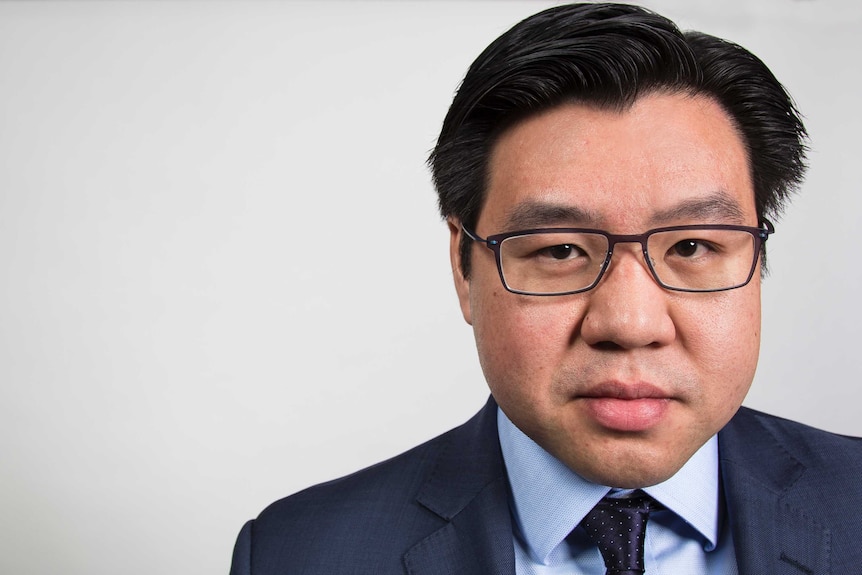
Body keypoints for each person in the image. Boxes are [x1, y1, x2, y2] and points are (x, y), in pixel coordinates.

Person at [229, 3, 862, 573]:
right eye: (560, 250)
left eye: (692, 247)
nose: (630, 323)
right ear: (464, 267)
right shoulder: (299, 553)